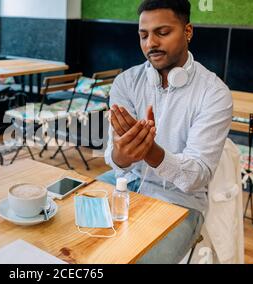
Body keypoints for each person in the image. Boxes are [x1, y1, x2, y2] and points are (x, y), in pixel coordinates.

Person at [97, 0, 233, 263]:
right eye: (144, 35)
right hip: (125, 185)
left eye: (162, 32)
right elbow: (115, 161)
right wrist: (123, 154)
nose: (151, 44)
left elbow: (197, 176)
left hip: (182, 201)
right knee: (69, 231)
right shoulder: (125, 82)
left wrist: (151, 152)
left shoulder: (215, 94)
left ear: (188, 32)